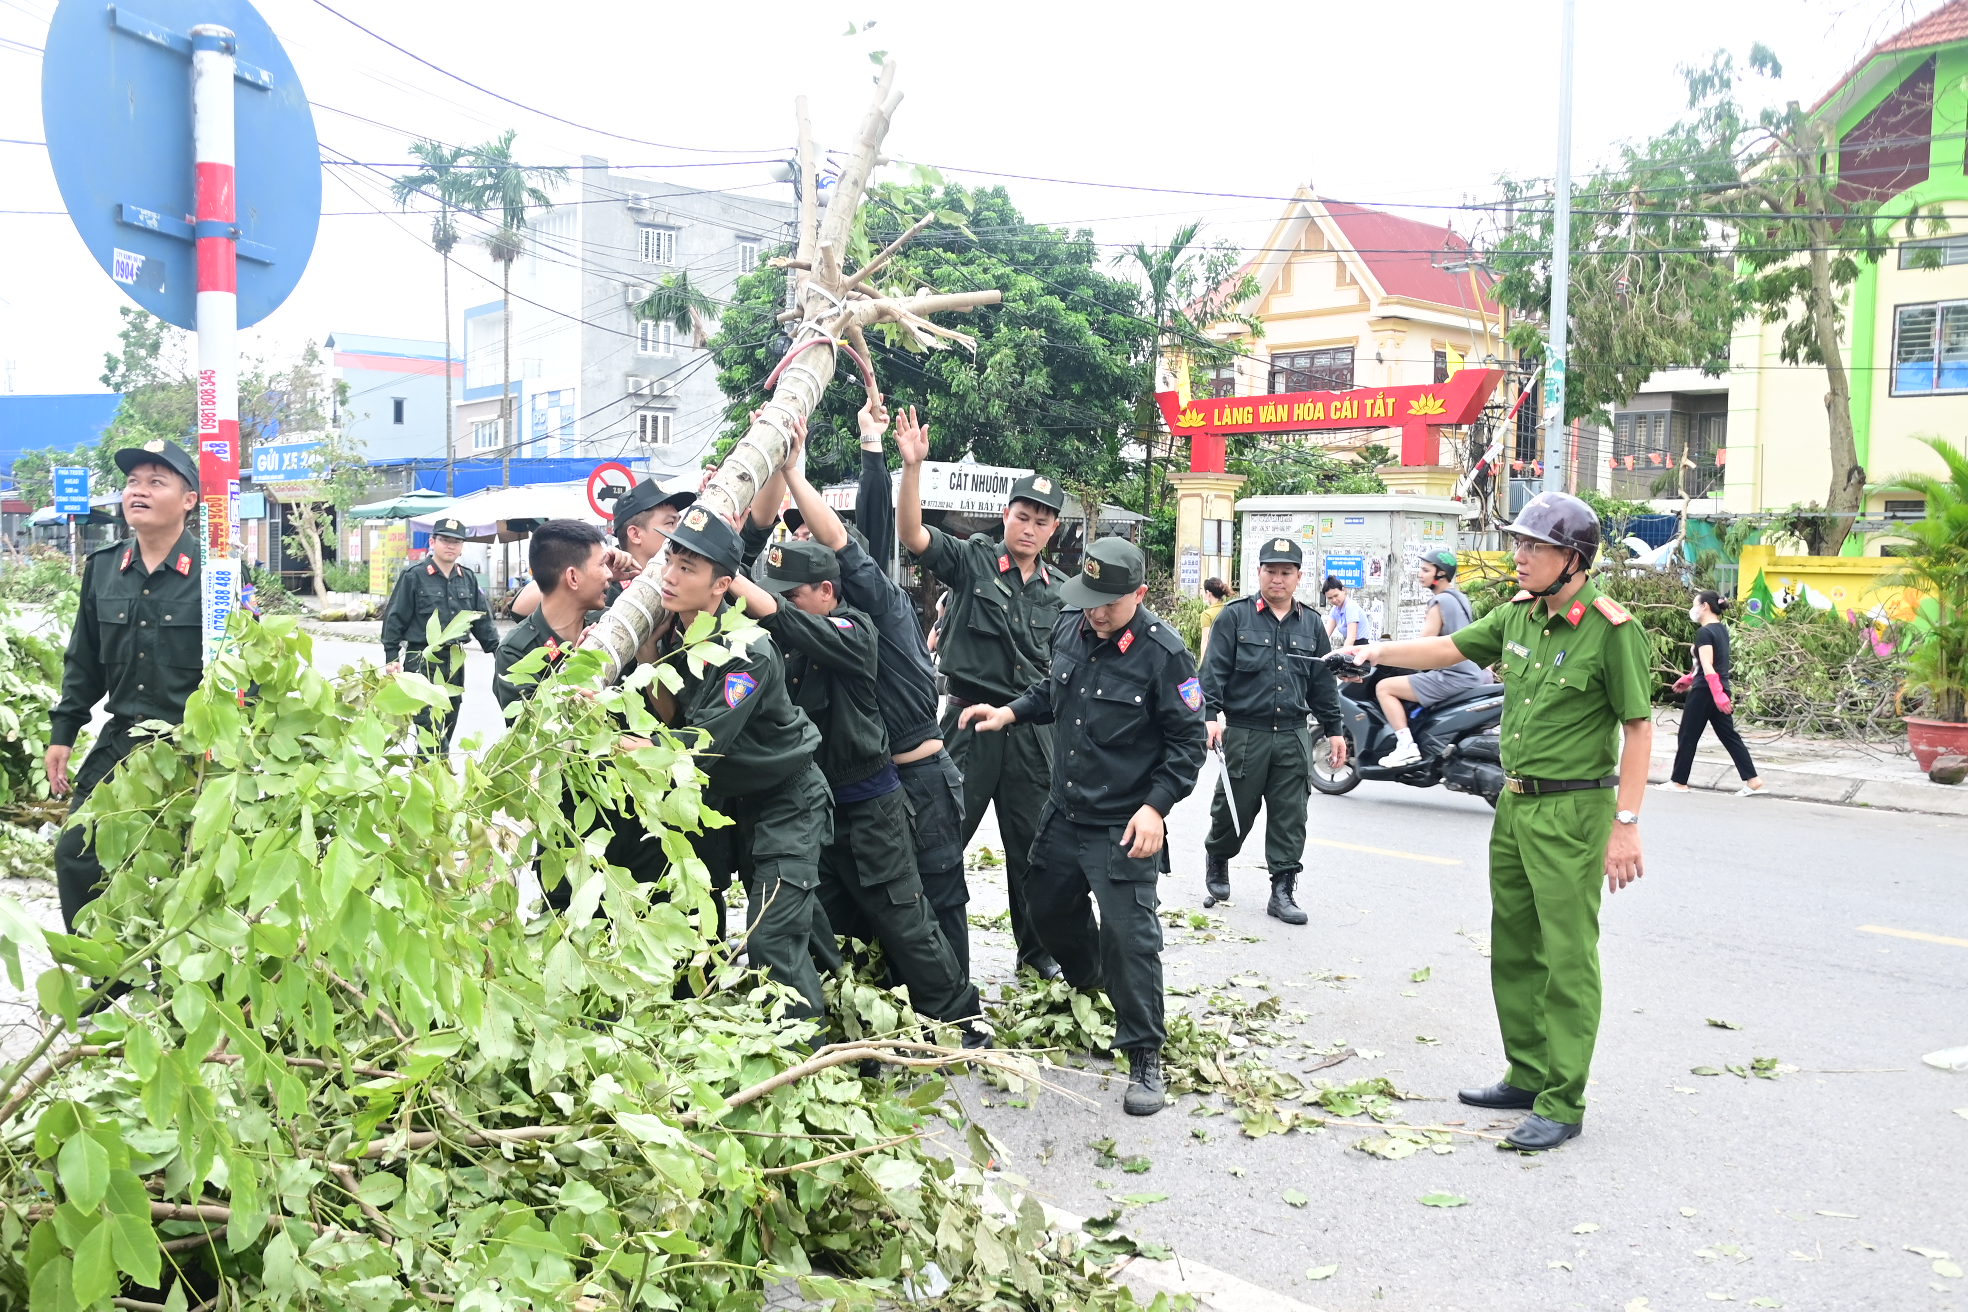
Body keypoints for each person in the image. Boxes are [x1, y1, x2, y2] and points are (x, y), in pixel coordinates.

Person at [1343, 491, 1652, 1153]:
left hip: (1574, 808)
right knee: (1513, 944)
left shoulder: (1611, 628)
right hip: (1514, 802)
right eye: (1520, 543)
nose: (1520, 556)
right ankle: (1528, 1071)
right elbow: (1448, 649)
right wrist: (1374, 655)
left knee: (1567, 956)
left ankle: (1563, 1098)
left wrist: (1626, 823)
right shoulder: (1519, 617)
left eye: (1534, 546)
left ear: (1573, 558)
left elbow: (1638, 726)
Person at [961, 537, 1208, 1116]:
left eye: (1110, 603)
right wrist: (1010, 712)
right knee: (1044, 908)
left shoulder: (1164, 654)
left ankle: (1145, 1051)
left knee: (1132, 939)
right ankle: (1089, 981)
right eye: (1089, 598)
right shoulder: (1072, 627)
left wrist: (1157, 807)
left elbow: (1188, 742)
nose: (1096, 613)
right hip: (1064, 811)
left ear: (1139, 595)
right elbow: (1054, 691)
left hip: (1125, 823)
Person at [729, 535, 982, 1040]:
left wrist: (739, 582)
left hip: (872, 807)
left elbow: (790, 621)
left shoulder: (853, 629)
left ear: (826, 591)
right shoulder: (785, 640)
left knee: (905, 917)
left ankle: (960, 1017)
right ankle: (856, 1012)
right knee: (833, 921)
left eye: (793, 593)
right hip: (818, 807)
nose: (782, 603)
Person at [776, 401, 979, 973]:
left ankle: (954, 1023)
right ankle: (880, 1021)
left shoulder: (883, 609)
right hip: (866, 789)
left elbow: (848, 539)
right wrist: (871, 449)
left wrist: (796, 472)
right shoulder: (820, 635)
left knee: (938, 902)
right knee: (872, 913)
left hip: (920, 779)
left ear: (829, 585)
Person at [897, 407, 1066, 977]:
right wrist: (912, 467)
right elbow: (913, 535)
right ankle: (927, 951)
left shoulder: (1064, 594)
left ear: (1053, 530)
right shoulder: (972, 560)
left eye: (1042, 521)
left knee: (1032, 851)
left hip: (1027, 730)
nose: (1029, 527)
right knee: (940, 843)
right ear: (1006, 514)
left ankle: (1037, 953)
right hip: (968, 722)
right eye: (1022, 516)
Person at [655, 504, 832, 1023]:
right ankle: (840, 1016)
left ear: (721, 585)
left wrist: (639, 748)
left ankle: (801, 1063)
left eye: (688, 568)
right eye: (671, 560)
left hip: (790, 799)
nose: (670, 575)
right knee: (794, 923)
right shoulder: (672, 634)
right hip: (738, 803)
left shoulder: (746, 647)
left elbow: (702, 741)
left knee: (771, 935)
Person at [46, 439, 202, 930]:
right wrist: (63, 731)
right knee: (78, 850)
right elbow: (84, 662)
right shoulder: (104, 569)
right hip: (126, 742)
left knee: (193, 870)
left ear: (188, 499)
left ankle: (185, 989)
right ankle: (104, 984)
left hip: (196, 747)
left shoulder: (218, 574)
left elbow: (249, 669)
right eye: (133, 481)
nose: (139, 490)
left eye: (156, 481)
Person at [492, 520, 671, 904]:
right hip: (571, 826)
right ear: (572, 577)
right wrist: (578, 668)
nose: (609, 574)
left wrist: (635, 574)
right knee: (572, 932)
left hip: (636, 815)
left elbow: (657, 711)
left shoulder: (615, 631)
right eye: (600, 566)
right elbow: (541, 739)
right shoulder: (517, 652)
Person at [1199, 537, 1348, 924]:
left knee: (1291, 814)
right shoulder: (1235, 617)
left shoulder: (1312, 623)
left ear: (1298, 577)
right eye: (1271, 571)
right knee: (1234, 809)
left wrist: (1334, 729)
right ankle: (1218, 858)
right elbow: (1212, 671)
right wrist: (1210, 715)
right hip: (1247, 731)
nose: (1277, 579)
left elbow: (1322, 683)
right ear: (1259, 572)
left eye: (1286, 572)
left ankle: (1282, 891)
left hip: (1294, 734)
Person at [380, 516, 500, 754]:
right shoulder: (414, 575)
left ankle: (427, 779)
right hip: (421, 660)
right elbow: (395, 617)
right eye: (445, 539)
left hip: (454, 662)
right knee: (430, 729)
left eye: (456, 541)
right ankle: (438, 773)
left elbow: (481, 620)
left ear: (462, 546)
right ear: (433, 541)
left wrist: (501, 653)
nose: (450, 546)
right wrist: (391, 656)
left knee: (448, 722)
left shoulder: (467, 578)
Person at [507, 478, 693, 619]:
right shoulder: (606, 588)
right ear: (635, 534)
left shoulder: (678, 582)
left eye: (679, 522)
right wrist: (591, 572)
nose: (678, 532)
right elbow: (520, 608)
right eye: (670, 523)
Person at [1375, 549, 1490, 768]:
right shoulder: (1460, 598)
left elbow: (1423, 643)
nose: (1420, 574)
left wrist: (1390, 652)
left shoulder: (1440, 602)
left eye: (1426, 570)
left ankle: (1406, 746)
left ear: (1440, 574)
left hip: (1453, 675)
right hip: (1473, 672)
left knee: (1384, 687)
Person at [1660, 590, 1765, 796]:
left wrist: (1716, 693)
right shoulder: (1722, 630)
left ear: (1705, 606)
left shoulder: (1705, 632)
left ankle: (1679, 782)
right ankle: (1753, 780)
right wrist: (1688, 678)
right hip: (1717, 688)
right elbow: (1711, 663)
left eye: (1695, 604)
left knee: (1688, 735)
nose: (1693, 609)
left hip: (1705, 692)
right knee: (1728, 736)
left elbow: (1708, 665)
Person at [1323, 577, 1365, 646]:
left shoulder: (1350, 607)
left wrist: (1342, 654)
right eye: (1330, 598)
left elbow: (1351, 638)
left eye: (1336, 595)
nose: (1334, 600)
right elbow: (1325, 635)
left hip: (1361, 646)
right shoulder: (1335, 610)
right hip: (1350, 646)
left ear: (1343, 591)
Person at [1197, 577, 1230, 662]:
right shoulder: (1230, 610)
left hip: (1214, 659)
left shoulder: (1207, 614)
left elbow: (1205, 641)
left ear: (1208, 593)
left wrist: (1202, 664)